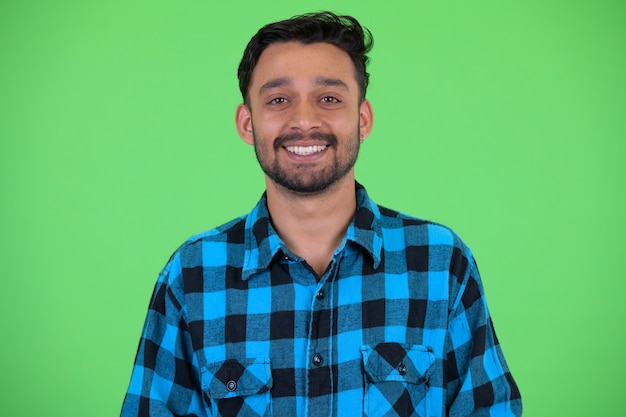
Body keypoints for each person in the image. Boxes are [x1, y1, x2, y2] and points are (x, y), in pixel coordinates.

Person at [121, 11, 522, 417]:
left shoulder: (440, 263)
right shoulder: (191, 276)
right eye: (279, 100)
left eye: (329, 98)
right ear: (247, 124)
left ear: (362, 119)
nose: (305, 120)